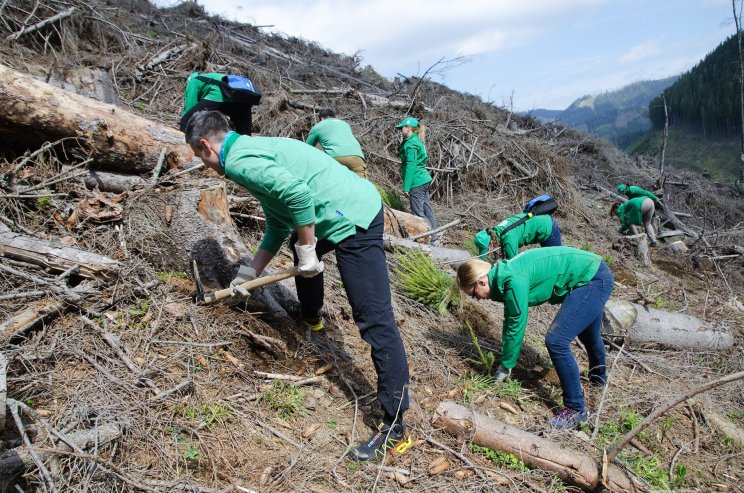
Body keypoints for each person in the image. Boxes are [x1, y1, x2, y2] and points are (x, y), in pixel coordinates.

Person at [185, 110, 411, 461]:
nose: (204, 164)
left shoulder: (241, 162)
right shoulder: (247, 151)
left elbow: (299, 197)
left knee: (373, 317)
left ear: (205, 145)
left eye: (199, 157)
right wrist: (249, 274)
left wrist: (308, 250)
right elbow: (278, 221)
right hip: (335, 209)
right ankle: (311, 316)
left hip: (353, 216)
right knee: (297, 242)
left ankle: (395, 426)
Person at [456, 247, 614, 429]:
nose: (477, 299)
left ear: (481, 282)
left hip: (592, 279)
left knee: (556, 341)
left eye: (473, 295)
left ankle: (576, 410)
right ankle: (598, 380)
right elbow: (511, 317)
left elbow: (515, 324)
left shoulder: (513, 279)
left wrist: (506, 365)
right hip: (592, 271)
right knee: (589, 335)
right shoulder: (504, 275)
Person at [396, 116, 439, 246]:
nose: (400, 130)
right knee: (427, 210)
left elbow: (411, 166)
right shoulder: (415, 140)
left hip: (417, 182)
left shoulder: (411, 145)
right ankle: (434, 238)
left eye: (402, 128)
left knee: (418, 213)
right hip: (424, 179)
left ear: (408, 128)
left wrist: (406, 187)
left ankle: (429, 239)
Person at [180, 72, 260, 135]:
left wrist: (184, 122)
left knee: (187, 121)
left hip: (221, 94)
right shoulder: (211, 76)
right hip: (243, 98)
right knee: (244, 134)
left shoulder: (193, 80)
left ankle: (185, 146)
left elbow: (190, 106)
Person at [306, 108, 368, 179]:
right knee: (362, 184)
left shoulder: (317, 127)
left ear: (321, 118)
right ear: (333, 116)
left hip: (335, 157)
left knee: (335, 184)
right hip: (357, 156)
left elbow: (307, 148)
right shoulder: (345, 124)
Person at [473, 213, 561, 260]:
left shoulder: (508, 239)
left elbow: (515, 263)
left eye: (487, 249)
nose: (488, 251)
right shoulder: (496, 230)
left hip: (548, 227)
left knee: (555, 260)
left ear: (492, 242)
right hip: (542, 221)